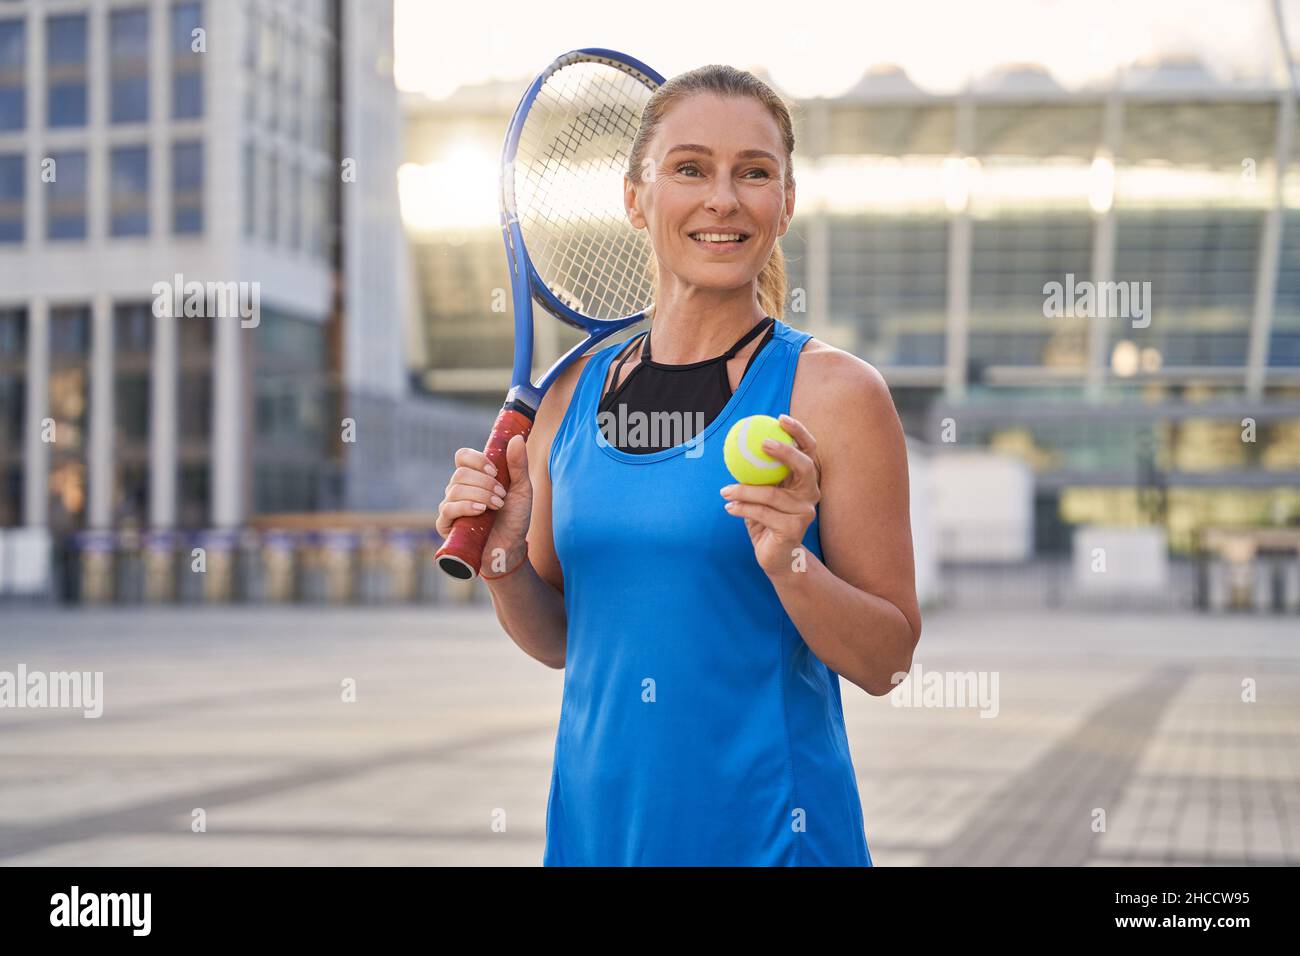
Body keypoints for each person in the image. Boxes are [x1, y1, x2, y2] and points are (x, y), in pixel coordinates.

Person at [436, 64, 920, 866]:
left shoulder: (836, 394)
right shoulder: (567, 398)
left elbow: (888, 662)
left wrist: (789, 560)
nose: (722, 199)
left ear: (786, 204)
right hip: (599, 837)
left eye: (754, 174)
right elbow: (565, 641)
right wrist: (502, 557)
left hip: (772, 841)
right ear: (636, 197)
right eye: (690, 168)